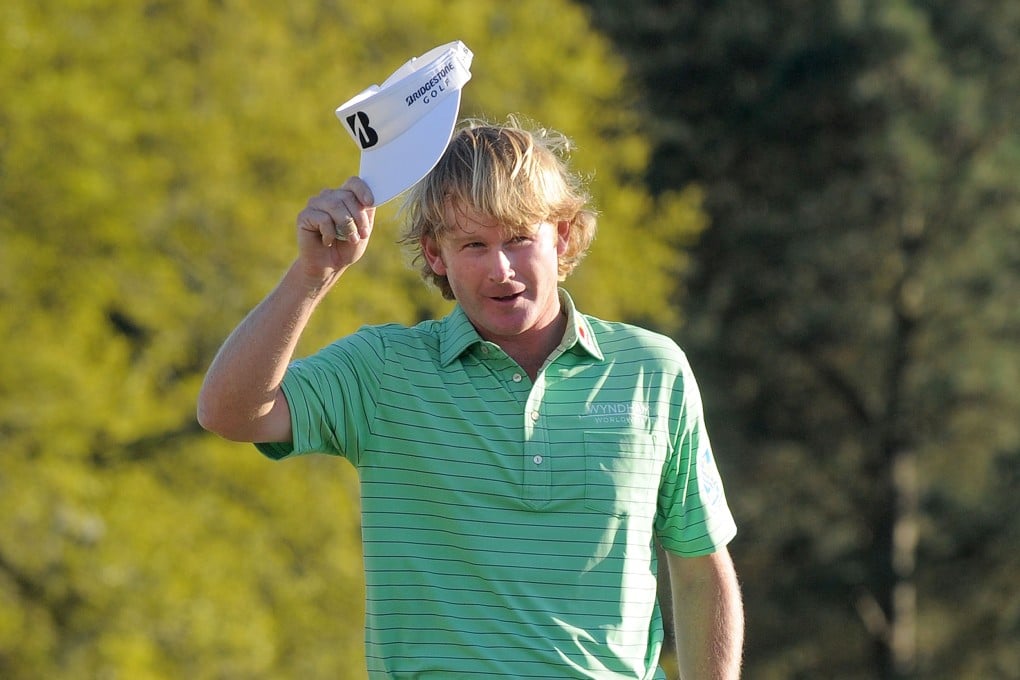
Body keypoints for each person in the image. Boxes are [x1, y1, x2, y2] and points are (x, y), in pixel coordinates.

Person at [197, 117, 744, 679]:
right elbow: (229, 412)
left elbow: (700, 566)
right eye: (474, 245)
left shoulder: (652, 369)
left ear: (562, 236)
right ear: (436, 254)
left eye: (519, 239)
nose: (501, 269)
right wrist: (312, 275)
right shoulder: (384, 370)